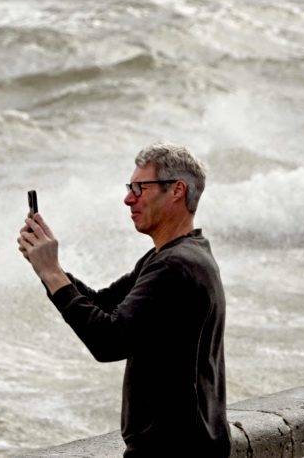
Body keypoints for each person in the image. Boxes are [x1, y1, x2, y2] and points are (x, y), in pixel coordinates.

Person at [18, 143, 230, 458]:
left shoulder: (174, 265)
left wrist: (52, 273)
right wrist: (48, 267)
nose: (128, 198)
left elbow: (108, 340)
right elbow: (104, 304)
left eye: (139, 188)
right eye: (129, 188)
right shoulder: (178, 255)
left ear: (176, 190)